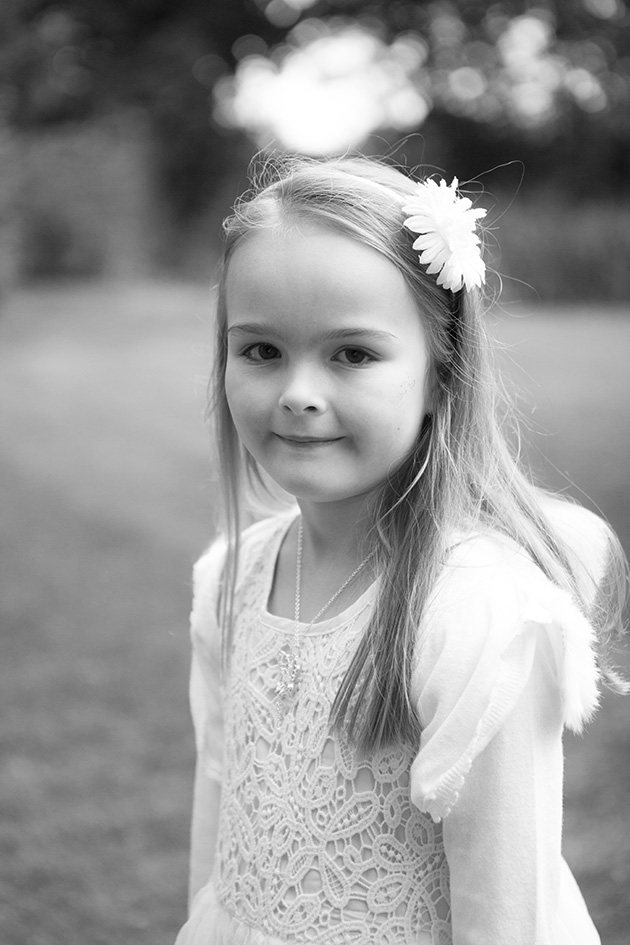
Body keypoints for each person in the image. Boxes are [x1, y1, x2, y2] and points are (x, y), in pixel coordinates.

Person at [175, 155, 627, 945]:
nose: (297, 393)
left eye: (352, 353)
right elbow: (216, 826)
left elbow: (508, 914)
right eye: (260, 350)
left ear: (439, 372)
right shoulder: (231, 579)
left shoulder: (473, 615)